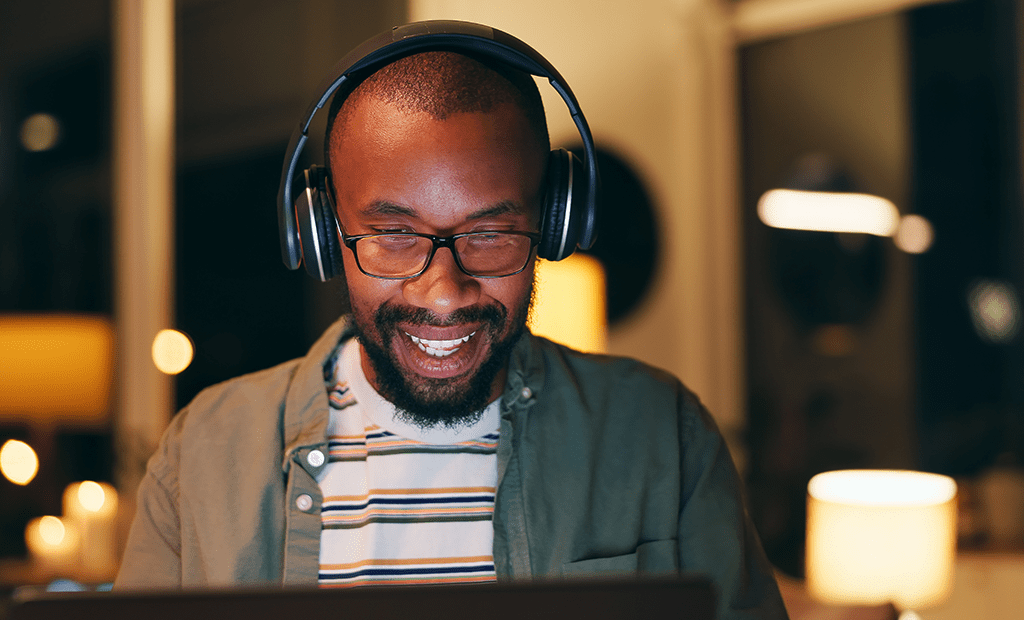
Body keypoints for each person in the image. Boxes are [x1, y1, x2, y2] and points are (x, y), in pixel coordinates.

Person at [115, 21, 787, 620]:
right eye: (393, 235)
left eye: (491, 234)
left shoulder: (661, 433)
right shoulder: (199, 454)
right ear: (324, 234)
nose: (443, 292)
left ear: (553, 224)